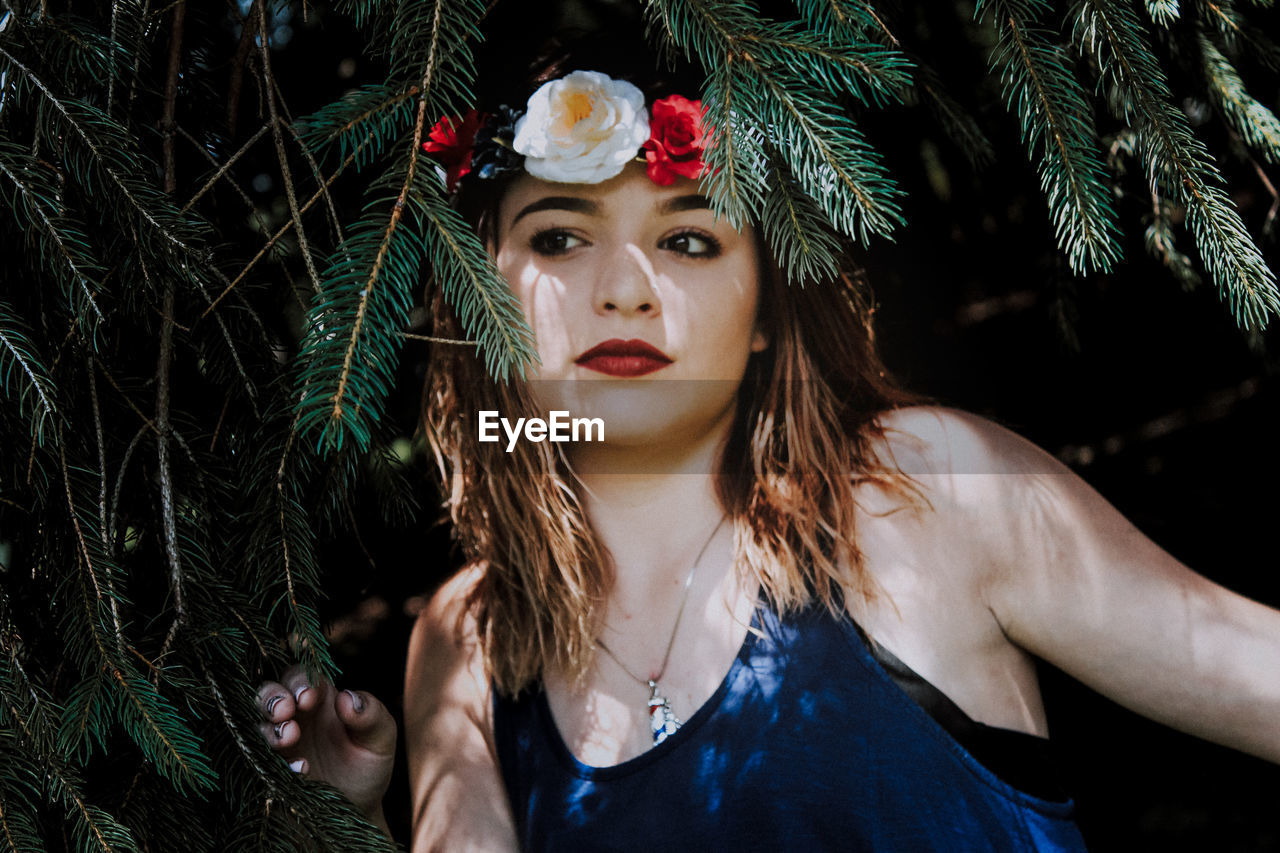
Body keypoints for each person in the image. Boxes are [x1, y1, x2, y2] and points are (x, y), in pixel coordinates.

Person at [256, 44, 1280, 852]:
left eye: (688, 237)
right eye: (560, 236)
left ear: (760, 309)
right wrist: (353, 822)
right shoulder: (470, 635)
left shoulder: (913, 491)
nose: (624, 286)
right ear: (479, 294)